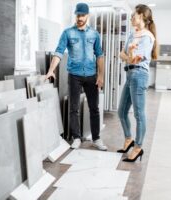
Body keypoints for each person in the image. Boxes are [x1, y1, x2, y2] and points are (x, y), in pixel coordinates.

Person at [45, 3, 107, 151]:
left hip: (91, 75)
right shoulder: (67, 33)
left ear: (87, 16)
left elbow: (100, 55)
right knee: (73, 109)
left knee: (94, 108)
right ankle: (76, 137)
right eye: (77, 15)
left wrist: (101, 75)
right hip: (74, 75)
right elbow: (59, 52)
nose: (79, 18)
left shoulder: (94, 34)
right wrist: (51, 70)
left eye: (82, 15)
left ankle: (96, 138)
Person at [117, 4, 158, 162]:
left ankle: (138, 146)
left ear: (142, 16)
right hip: (130, 74)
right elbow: (122, 53)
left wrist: (130, 55)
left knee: (139, 114)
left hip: (139, 75)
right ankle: (129, 139)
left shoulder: (147, 36)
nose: (131, 17)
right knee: (121, 112)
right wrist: (129, 55)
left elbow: (135, 58)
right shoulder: (133, 34)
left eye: (134, 15)